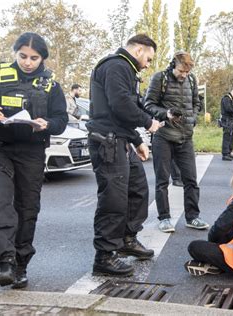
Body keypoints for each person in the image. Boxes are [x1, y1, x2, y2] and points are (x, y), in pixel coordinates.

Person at [0, 32, 68, 288]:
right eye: (22, 56)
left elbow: (61, 120)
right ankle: (5, 262)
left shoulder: (51, 85)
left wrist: (48, 124)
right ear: (15, 54)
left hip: (31, 153)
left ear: (42, 58)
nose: (28, 62)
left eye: (34, 58)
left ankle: (21, 265)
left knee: (27, 208)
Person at [86, 34, 161, 276]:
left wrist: (137, 140)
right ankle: (105, 256)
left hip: (121, 139)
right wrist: (148, 123)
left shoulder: (125, 69)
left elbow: (122, 109)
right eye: (148, 58)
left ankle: (127, 239)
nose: (148, 64)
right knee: (113, 200)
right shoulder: (117, 66)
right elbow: (120, 105)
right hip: (107, 141)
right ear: (139, 50)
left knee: (138, 190)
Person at [144, 51, 209, 233]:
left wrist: (193, 117)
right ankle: (164, 218)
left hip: (185, 137)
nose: (184, 75)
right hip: (163, 136)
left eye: (187, 72)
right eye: (181, 71)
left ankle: (192, 217)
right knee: (162, 181)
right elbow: (148, 104)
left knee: (191, 180)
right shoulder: (160, 78)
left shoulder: (192, 80)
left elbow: (196, 103)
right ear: (174, 65)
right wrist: (166, 114)